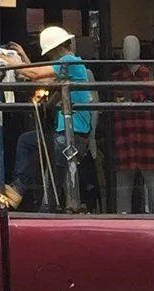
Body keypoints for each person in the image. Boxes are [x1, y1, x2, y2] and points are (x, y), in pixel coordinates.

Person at [14, 23, 97, 211]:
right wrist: (23, 59)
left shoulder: (69, 61)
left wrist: (13, 64)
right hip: (69, 133)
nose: (50, 58)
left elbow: (35, 74)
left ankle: (31, 198)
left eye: (50, 54)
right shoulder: (70, 68)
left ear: (58, 49)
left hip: (71, 134)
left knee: (53, 179)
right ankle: (21, 189)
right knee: (47, 169)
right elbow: (42, 77)